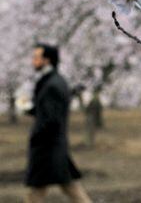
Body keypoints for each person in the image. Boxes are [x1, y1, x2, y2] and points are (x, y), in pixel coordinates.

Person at [25, 43, 92, 203]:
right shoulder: (52, 81)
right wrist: (30, 109)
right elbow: (48, 111)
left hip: (48, 147)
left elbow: (52, 118)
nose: (33, 60)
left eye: (36, 57)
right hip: (53, 147)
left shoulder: (52, 85)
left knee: (37, 191)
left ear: (47, 60)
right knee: (69, 187)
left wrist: (37, 135)